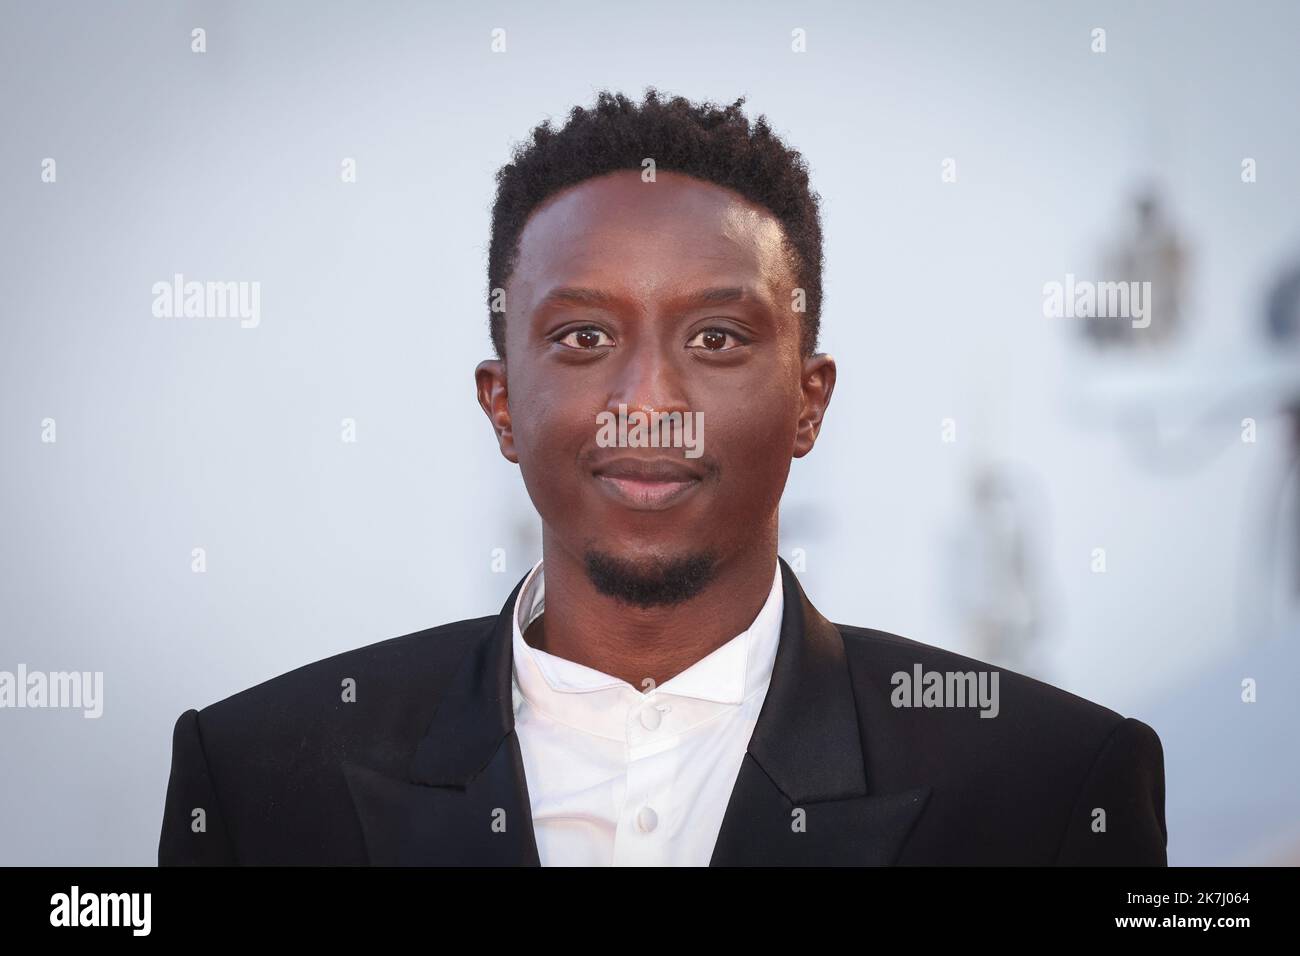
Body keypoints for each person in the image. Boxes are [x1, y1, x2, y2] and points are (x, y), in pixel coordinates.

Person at [158, 88, 1167, 866]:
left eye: (718, 335)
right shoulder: (257, 778)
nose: (649, 399)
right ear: (501, 402)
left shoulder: (1049, 784)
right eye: (584, 334)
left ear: (808, 400)